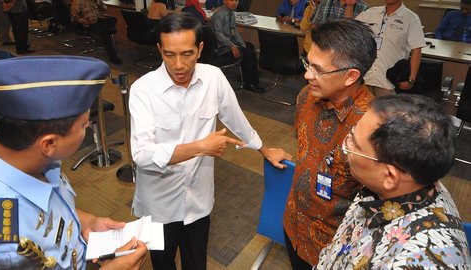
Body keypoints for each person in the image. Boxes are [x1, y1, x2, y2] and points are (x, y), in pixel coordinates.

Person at [0, 56, 147, 270]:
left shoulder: (2, 149)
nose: (88, 129)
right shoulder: (6, 253)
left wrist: (85, 222)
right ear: (49, 143)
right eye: (84, 125)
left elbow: (49, 205)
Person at [129, 13, 292, 270]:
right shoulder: (143, 90)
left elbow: (236, 119)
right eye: (169, 54)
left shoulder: (213, 78)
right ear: (159, 49)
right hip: (158, 204)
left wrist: (264, 149)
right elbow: (142, 154)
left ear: (200, 48)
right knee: (162, 264)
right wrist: (200, 147)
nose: (179, 64)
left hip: (197, 199)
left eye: (188, 53)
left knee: (196, 263)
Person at [316, 94, 471, 269]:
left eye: (354, 145)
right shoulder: (411, 181)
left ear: (389, 177)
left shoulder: (417, 262)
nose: (345, 146)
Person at [282, 18, 377, 269]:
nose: (306, 75)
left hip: (333, 251)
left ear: (351, 76)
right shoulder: (306, 97)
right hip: (293, 226)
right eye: (307, 64)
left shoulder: (373, 129)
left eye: (317, 69)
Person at [356, 0, 425, 96]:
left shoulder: (411, 18)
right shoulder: (371, 13)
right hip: (365, 78)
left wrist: (411, 80)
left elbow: (416, 50)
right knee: (362, 111)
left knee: (386, 111)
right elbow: (348, 30)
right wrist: (350, 7)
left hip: (388, 82)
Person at [212, 0, 264, 93]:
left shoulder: (231, 13)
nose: (234, 3)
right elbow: (218, 35)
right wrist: (232, 46)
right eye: (231, 0)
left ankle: (245, 77)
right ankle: (250, 83)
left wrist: (242, 45)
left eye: (236, 0)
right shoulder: (219, 15)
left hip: (229, 44)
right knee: (250, 53)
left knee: (249, 46)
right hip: (222, 48)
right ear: (224, 1)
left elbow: (234, 32)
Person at [70, 0, 123, 65]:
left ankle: (103, 35)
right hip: (88, 24)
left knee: (113, 20)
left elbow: (104, 9)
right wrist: (84, 21)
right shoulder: (77, 2)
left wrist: (98, 2)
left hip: (98, 20)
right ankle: (113, 57)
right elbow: (74, 16)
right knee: (106, 32)